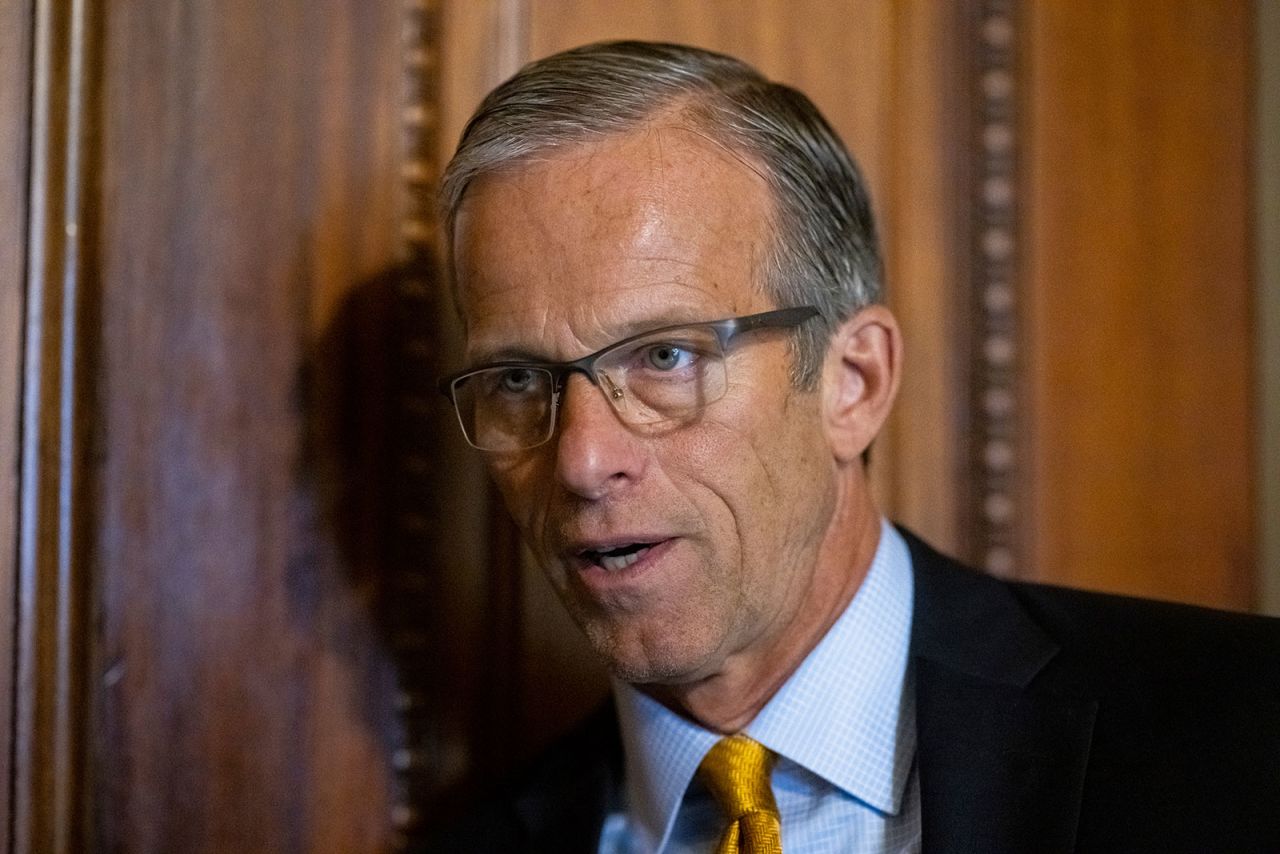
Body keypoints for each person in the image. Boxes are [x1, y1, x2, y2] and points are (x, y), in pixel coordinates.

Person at [427, 41, 1280, 853]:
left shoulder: (1238, 736)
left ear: (854, 383)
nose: (581, 460)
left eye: (665, 357)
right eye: (517, 379)